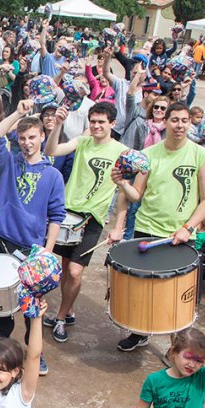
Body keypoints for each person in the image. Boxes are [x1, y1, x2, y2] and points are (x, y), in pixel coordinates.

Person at [112, 102, 205, 351]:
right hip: (147, 229)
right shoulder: (148, 154)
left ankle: (177, 346)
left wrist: (188, 228)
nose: (179, 125)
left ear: (190, 123)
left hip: (180, 235)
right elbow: (136, 195)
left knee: (177, 296)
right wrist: (122, 184)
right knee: (143, 289)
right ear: (165, 122)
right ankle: (139, 332)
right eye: (174, 120)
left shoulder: (201, 155)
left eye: (184, 120)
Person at [0, 100, 65, 372]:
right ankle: (3, 343)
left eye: (32, 137)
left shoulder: (53, 175)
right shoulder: (7, 163)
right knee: (1, 301)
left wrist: (47, 250)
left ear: (42, 136)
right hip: (1, 241)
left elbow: (56, 215)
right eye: (22, 138)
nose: (27, 143)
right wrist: (18, 114)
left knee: (33, 307)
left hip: (33, 250)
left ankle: (34, 352)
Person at [44, 102, 128, 344]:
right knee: (65, 267)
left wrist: (118, 226)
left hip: (93, 219)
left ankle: (61, 317)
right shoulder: (82, 142)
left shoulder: (122, 152)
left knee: (74, 270)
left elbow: (123, 193)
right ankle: (68, 310)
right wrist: (58, 124)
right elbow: (51, 150)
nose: (97, 126)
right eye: (93, 121)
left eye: (102, 122)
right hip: (68, 212)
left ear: (112, 123)